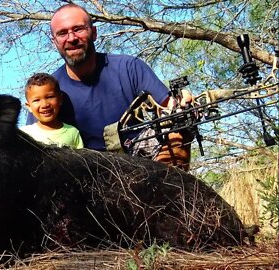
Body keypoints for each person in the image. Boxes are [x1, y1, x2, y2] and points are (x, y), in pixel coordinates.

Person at [26, 3, 192, 170]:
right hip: (88, 172)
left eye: (78, 29)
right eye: (62, 33)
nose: (71, 38)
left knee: (180, 128)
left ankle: (167, 190)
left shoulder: (129, 67)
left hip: (142, 162)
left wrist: (182, 103)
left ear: (94, 33)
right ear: (55, 42)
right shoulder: (48, 90)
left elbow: (169, 106)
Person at [21, 73, 84, 149]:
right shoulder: (24, 135)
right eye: (37, 100)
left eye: (50, 97)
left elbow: (80, 160)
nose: (44, 105)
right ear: (29, 106)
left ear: (60, 99)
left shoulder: (72, 133)